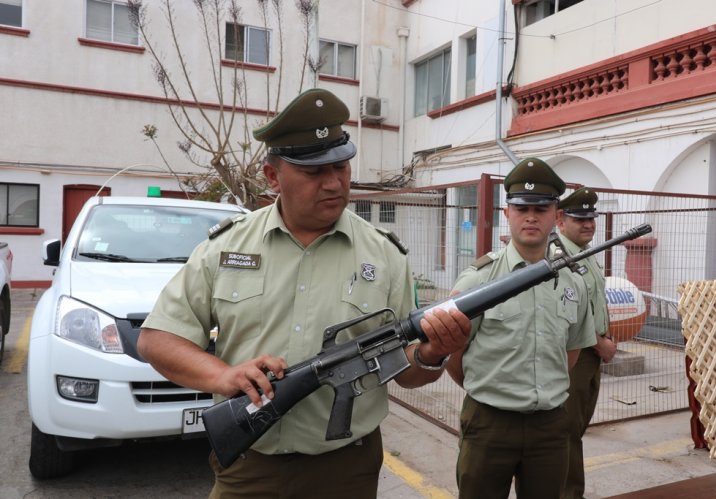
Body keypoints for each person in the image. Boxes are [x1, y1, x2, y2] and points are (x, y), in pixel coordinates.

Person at [136, 88, 471, 499]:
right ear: (273, 176)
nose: (334, 183)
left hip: (347, 469)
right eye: (314, 172)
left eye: (342, 167)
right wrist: (223, 376)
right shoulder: (225, 248)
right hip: (250, 467)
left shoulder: (385, 255)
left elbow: (405, 369)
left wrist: (434, 353)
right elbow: (156, 340)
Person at [446, 158, 596, 499]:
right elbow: (455, 355)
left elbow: (570, 354)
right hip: (489, 424)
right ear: (507, 213)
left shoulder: (573, 282)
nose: (531, 217)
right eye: (522, 208)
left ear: (555, 215)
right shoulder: (479, 279)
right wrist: (490, 391)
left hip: (550, 427)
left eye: (541, 209)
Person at [557, 187, 617, 499]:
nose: (588, 224)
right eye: (579, 218)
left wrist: (607, 336)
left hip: (592, 354)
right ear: (560, 220)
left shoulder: (586, 254)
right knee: (566, 432)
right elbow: (568, 317)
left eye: (590, 218)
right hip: (575, 355)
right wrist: (600, 344)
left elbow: (594, 302)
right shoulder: (559, 257)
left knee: (576, 428)